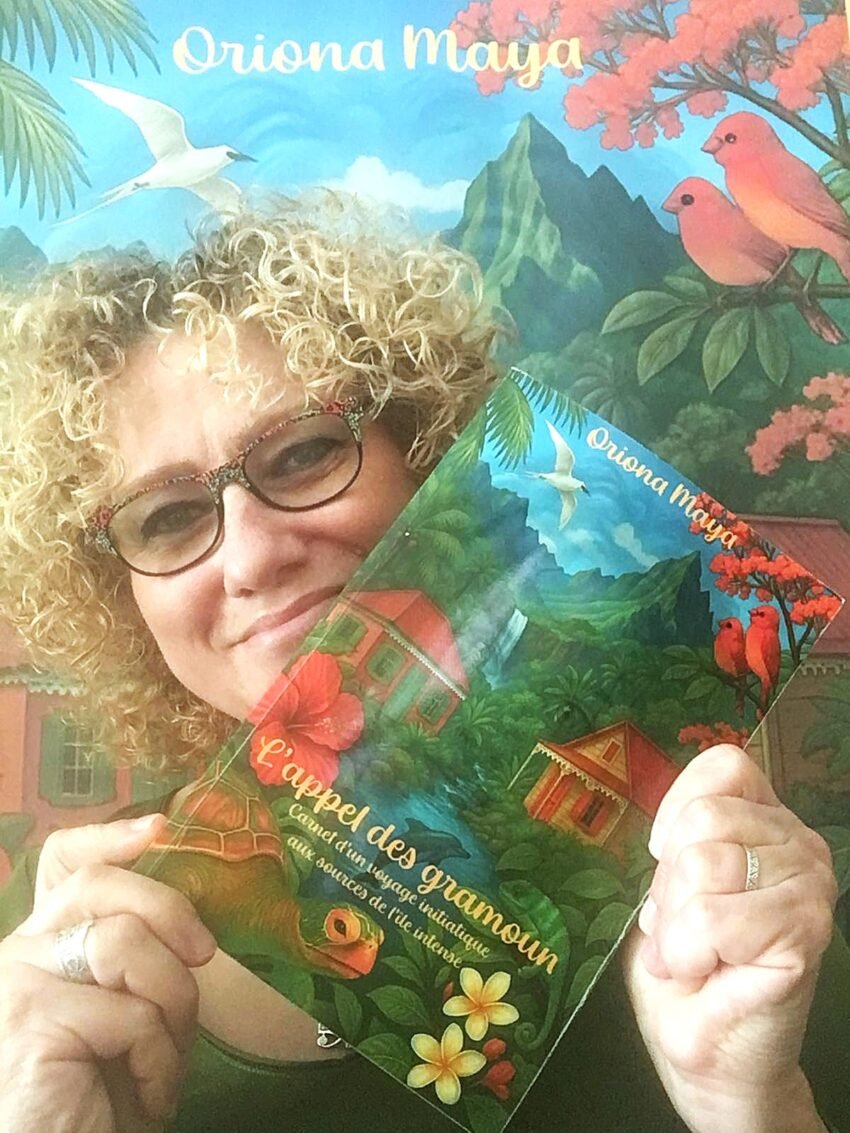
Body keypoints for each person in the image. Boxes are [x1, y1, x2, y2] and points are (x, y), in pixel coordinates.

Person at [0, 196, 846, 1133]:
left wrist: (754, 1104)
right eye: (165, 517)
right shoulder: (48, 933)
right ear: (120, 595)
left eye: (304, 451)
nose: (250, 558)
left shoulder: (732, 913)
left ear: (427, 453)